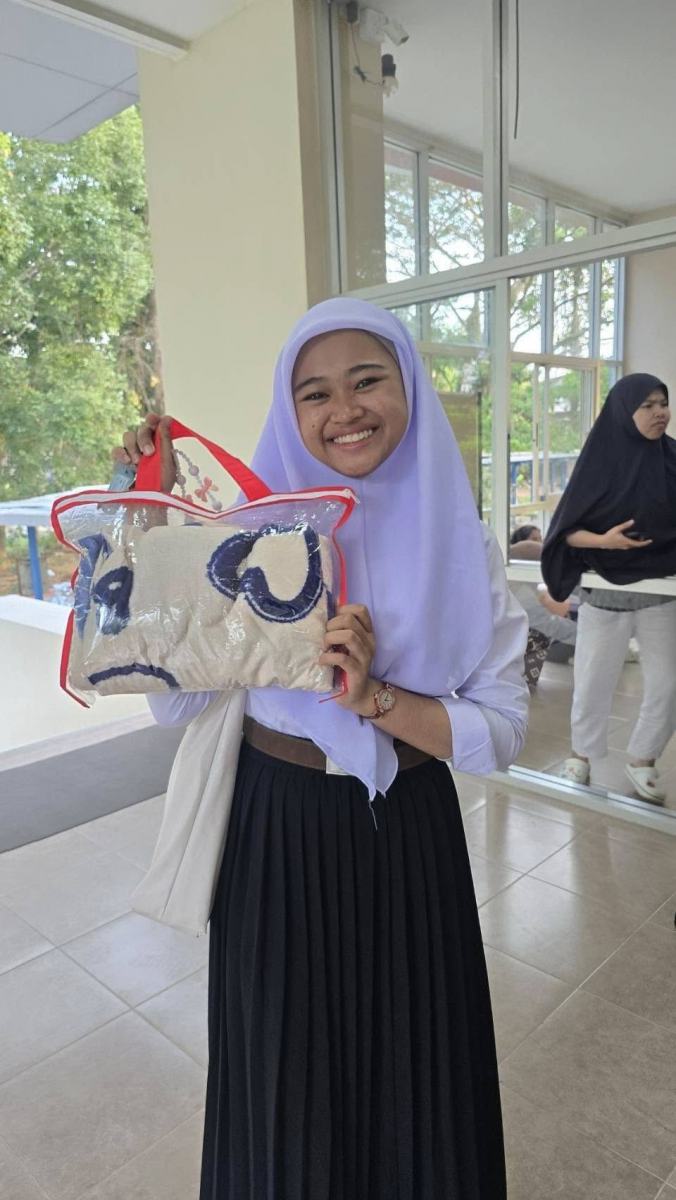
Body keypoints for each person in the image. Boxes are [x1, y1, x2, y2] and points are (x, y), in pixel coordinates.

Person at [117, 299, 529, 1199]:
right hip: (275, 834)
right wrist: (150, 545)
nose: (344, 410)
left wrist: (374, 698)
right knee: (285, 1076)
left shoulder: (465, 548)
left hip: (408, 834)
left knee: (418, 1069)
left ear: (408, 388)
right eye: (315, 393)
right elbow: (174, 701)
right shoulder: (246, 539)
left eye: (367, 380)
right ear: (289, 409)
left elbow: (500, 735)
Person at [542, 373, 676, 802]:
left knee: (668, 683)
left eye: (663, 403)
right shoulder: (599, 461)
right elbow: (565, 531)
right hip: (605, 594)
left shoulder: (673, 458)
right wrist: (605, 541)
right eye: (647, 405)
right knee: (593, 683)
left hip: (660, 594)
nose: (660, 413)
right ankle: (581, 754)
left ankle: (643, 757)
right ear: (624, 411)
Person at [509, 525, 577, 687]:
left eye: (540, 538)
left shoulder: (520, 582)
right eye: (535, 539)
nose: (540, 543)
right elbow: (548, 622)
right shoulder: (519, 587)